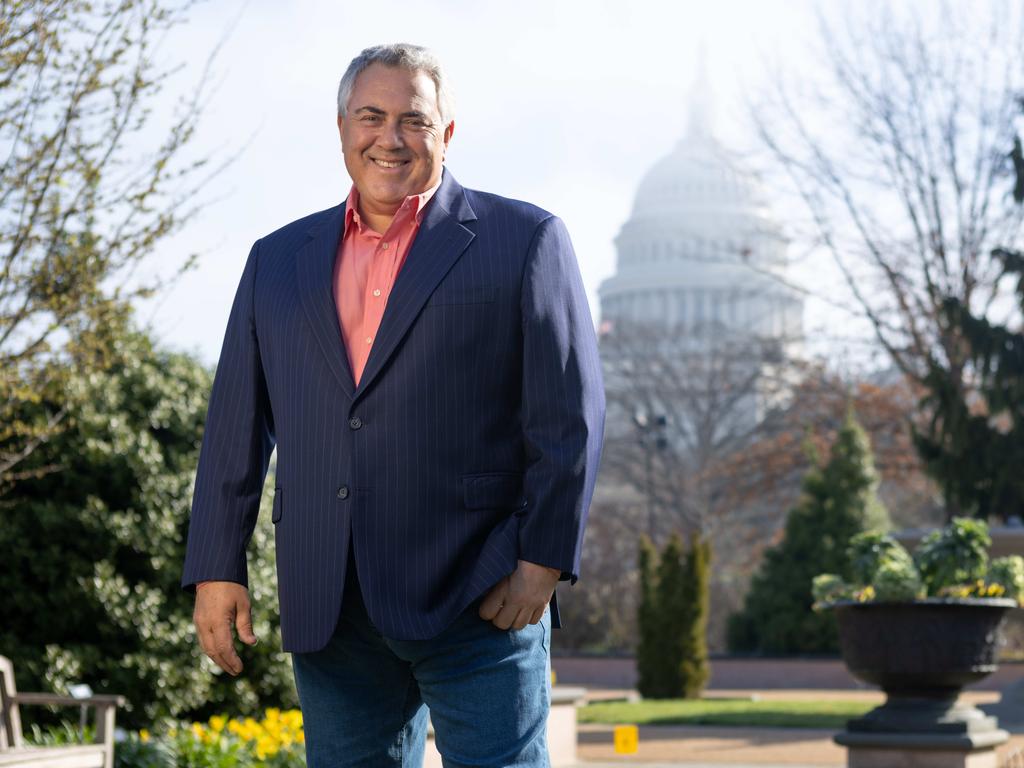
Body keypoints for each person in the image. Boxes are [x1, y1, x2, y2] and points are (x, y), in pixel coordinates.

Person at [182, 42, 605, 768]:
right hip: (333, 604)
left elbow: (570, 416)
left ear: (446, 133)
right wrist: (217, 567)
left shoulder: (525, 240)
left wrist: (544, 559)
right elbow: (234, 429)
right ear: (342, 126)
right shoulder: (275, 262)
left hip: (482, 593)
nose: (390, 137)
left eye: (413, 119)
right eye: (371, 117)